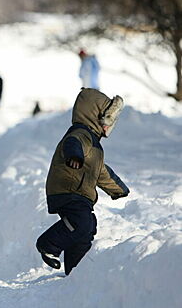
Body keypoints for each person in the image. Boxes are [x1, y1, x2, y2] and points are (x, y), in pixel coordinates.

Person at [36, 88, 129, 275]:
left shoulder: (95, 146)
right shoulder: (80, 134)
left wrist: (118, 189)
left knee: (87, 229)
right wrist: (75, 156)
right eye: (107, 119)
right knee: (81, 222)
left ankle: (75, 270)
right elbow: (72, 144)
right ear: (95, 116)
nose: (108, 125)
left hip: (80, 195)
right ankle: (48, 244)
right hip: (67, 189)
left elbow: (101, 171)